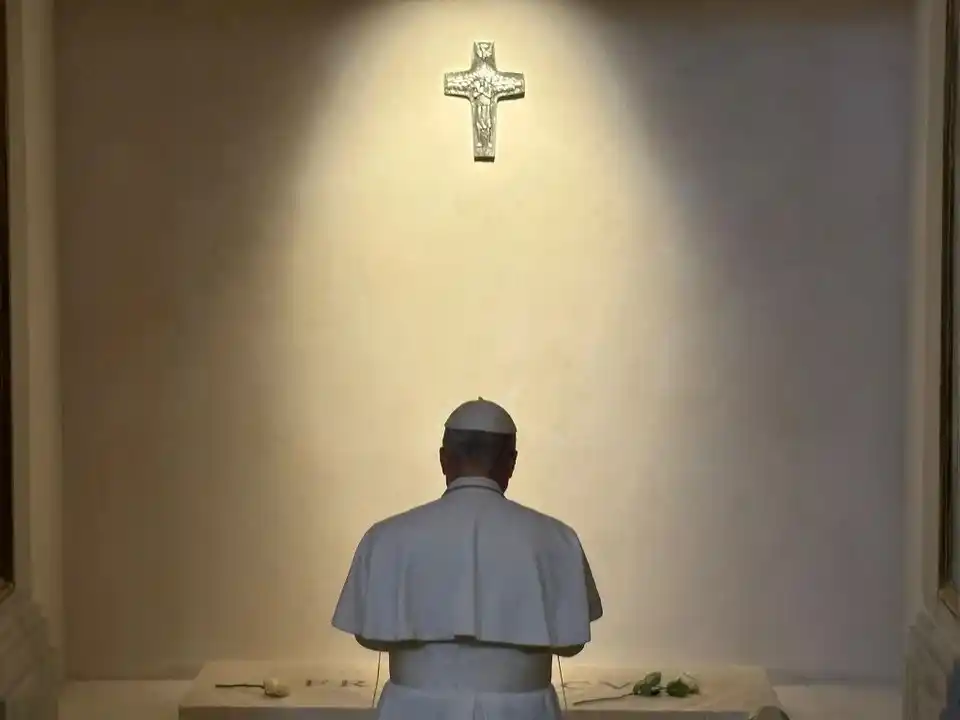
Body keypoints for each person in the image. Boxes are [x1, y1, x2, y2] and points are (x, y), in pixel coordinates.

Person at [332, 397, 603, 720]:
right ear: (511, 462)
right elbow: (571, 645)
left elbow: (369, 636)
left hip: (412, 711)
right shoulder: (557, 539)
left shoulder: (386, 537)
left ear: (444, 459)